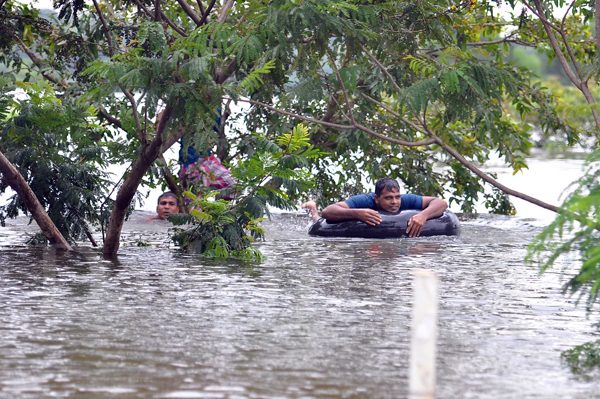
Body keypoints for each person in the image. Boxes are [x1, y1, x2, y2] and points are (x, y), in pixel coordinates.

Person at [302, 177, 448, 237]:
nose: (394, 202)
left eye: (397, 197)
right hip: (330, 223)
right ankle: (312, 210)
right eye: (388, 198)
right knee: (318, 221)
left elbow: (441, 202)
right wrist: (357, 214)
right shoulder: (365, 201)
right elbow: (328, 212)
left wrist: (424, 215)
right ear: (377, 199)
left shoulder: (405, 200)